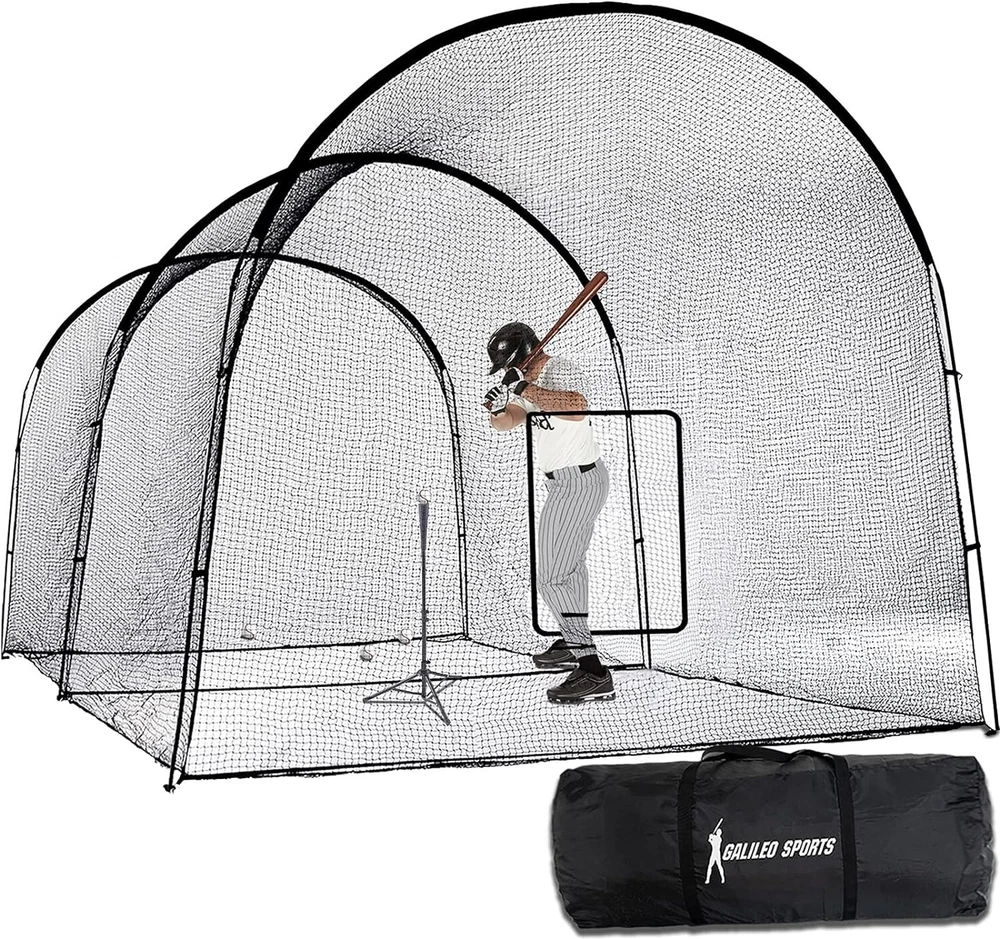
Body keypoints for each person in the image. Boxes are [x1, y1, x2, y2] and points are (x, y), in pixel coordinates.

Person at [483, 321, 614, 703]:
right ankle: (573, 640)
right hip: (562, 483)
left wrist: (523, 387)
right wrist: (498, 408)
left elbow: (576, 408)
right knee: (568, 571)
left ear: (525, 353)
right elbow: (510, 422)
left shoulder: (559, 369)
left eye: (511, 363)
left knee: (552, 578)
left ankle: (593, 670)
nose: (510, 370)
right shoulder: (527, 380)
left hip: (579, 481)